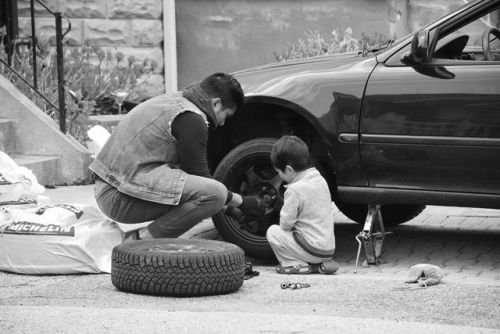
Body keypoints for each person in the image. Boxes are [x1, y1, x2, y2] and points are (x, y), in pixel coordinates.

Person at [90, 72, 264, 239]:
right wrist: (243, 202)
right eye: (226, 115)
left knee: (213, 195)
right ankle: (141, 243)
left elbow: (196, 185)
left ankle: (143, 241)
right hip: (117, 197)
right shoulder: (192, 119)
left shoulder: (176, 101)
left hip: (111, 188)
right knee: (215, 194)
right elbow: (203, 182)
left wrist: (230, 210)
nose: (223, 122)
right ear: (216, 103)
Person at [266, 135, 338, 274]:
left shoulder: (294, 189)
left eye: (279, 172)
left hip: (311, 248)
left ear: (289, 169)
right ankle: (318, 266)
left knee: (273, 232)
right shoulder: (320, 179)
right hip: (328, 249)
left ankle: (295, 264)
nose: (279, 176)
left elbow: (286, 224)